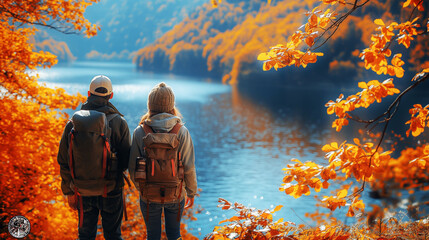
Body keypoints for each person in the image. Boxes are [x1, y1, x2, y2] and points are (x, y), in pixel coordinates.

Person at [57, 75, 131, 240]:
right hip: (111, 189)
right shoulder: (119, 122)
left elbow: (63, 160)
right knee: (113, 235)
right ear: (111, 95)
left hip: (82, 190)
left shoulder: (73, 123)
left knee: (85, 236)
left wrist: (69, 191)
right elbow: (126, 161)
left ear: (88, 93)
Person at [129, 82, 197, 240]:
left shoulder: (140, 132)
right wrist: (191, 192)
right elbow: (189, 167)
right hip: (176, 194)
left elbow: (132, 168)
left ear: (150, 106)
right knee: (174, 235)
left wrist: (143, 189)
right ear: (171, 106)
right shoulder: (181, 132)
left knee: (152, 236)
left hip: (148, 196)